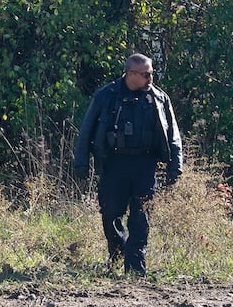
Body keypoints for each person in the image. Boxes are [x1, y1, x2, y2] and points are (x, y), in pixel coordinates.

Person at [74, 53, 183, 276]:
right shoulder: (106, 95)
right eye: (146, 74)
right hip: (115, 163)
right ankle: (118, 253)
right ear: (131, 74)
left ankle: (135, 268)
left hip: (146, 164)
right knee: (110, 213)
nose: (150, 78)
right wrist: (81, 162)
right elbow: (86, 129)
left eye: (151, 73)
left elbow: (173, 134)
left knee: (141, 217)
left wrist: (175, 165)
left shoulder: (159, 98)